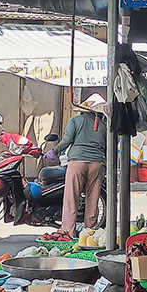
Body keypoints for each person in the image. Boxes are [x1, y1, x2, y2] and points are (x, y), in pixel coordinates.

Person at [50, 93, 107, 238]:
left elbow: (67, 140)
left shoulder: (75, 120)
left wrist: (54, 151)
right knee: (93, 198)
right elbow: (109, 148)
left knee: (71, 198)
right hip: (97, 164)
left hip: (77, 162)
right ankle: (90, 233)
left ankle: (68, 232)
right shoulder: (105, 126)